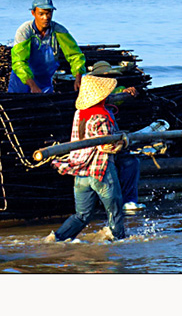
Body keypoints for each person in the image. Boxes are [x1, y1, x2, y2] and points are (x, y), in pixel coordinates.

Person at [45, 75, 126, 242]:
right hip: (100, 169)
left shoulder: (79, 114)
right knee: (115, 210)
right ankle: (119, 240)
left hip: (80, 170)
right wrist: (123, 141)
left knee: (82, 215)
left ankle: (56, 238)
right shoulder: (102, 116)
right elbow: (106, 145)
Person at [89, 60, 144, 213]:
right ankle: (121, 202)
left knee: (131, 161)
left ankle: (128, 201)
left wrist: (126, 92)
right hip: (98, 151)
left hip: (110, 145)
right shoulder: (91, 98)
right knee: (125, 162)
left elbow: (119, 94)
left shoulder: (111, 96)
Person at [8, 0, 86, 94]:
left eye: (49, 13)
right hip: (22, 80)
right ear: (33, 13)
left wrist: (78, 77)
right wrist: (32, 86)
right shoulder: (25, 31)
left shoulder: (59, 31)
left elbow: (75, 55)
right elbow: (19, 62)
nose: (46, 18)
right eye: (41, 14)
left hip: (44, 80)